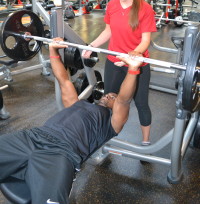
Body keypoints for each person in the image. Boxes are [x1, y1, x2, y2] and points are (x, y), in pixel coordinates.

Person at [0, 38, 142, 204]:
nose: (110, 94)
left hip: (61, 154)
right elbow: (63, 80)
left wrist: (132, 69)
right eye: (109, 94)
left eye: (113, 97)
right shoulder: (76, 103)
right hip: (31, 137)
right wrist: (53, 51)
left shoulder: (111, 125)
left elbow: (124, 100)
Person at [82, 0, 157, 146]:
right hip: (113, 61)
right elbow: (108, 31)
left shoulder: (145, 9)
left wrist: (134, 54)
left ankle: (146, 141)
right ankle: (105, 137)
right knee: (108, 99)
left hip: (136, 65)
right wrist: (91, 45)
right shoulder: (112, 6)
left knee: (141, 104)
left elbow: (146, 40)